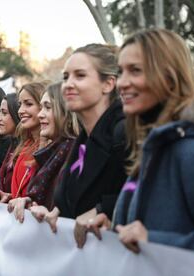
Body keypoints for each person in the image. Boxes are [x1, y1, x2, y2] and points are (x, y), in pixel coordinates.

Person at [75, 29, 194, 256]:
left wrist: (152, 240)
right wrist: (115, 228)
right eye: (121, 72)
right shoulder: (155, 144)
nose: (122, 83)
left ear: (170, 77)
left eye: (136, 71)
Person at [31, 44, 127, 233]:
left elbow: (147, 192)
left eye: (80, 75)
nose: (68, 84)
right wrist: (54, 212)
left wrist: (103, 210)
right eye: (66, 77)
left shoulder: (125, 133)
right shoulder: (83, 141)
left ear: (108, 84)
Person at [7, 82, 80, 222]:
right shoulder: (55, 152)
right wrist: (24, 201)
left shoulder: (76, 153)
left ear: (66, 111)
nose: (40, 115)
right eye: (41, 108)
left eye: (47, 107)